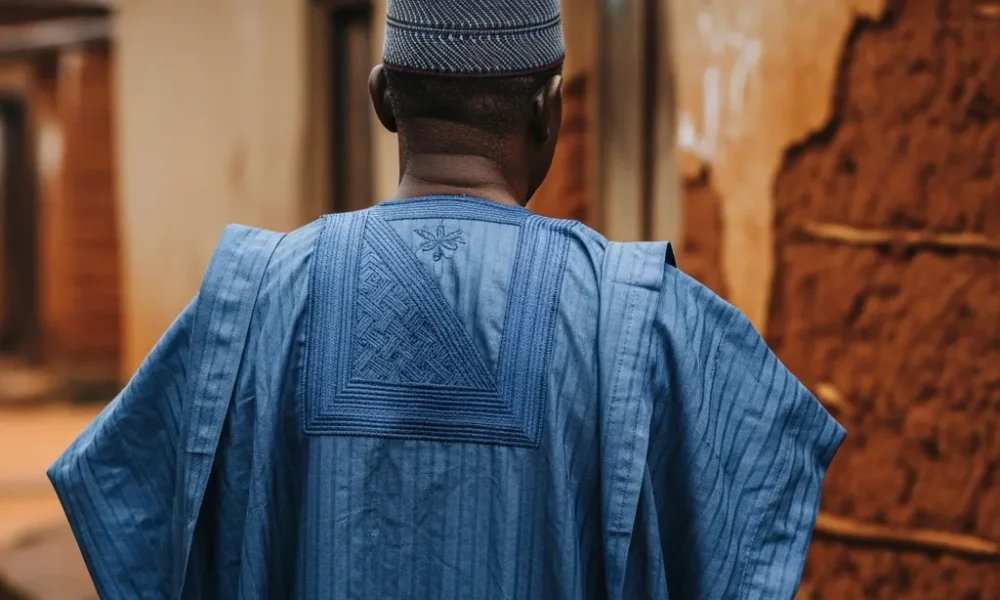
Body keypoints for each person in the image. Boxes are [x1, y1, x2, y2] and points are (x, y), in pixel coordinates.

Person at [49, 0, 844, 598]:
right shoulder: (639, 318)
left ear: (383, 98)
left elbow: (127, 505)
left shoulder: (257, 302)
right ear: (549, 107)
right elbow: (760, 489)